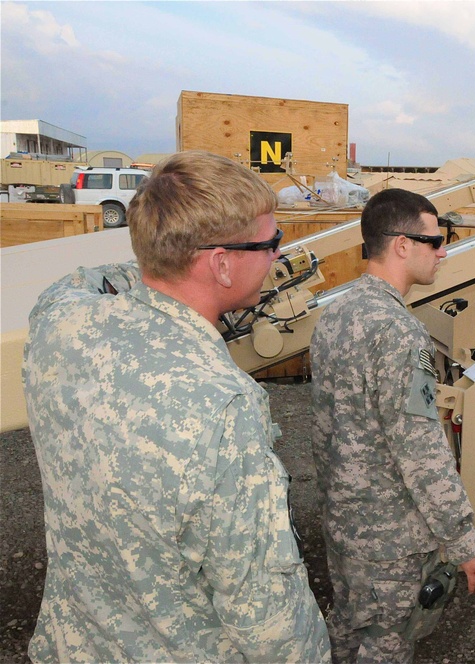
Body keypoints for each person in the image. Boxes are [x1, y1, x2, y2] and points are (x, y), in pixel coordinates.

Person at [22, 151, 331, 662]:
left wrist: (160, 256)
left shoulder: (60, 321)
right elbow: (266, 613)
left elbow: (79, 280)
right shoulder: (223, 405)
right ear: (221, 264)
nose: (278, 255)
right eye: (271, 242)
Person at [311, 188, 475, 663]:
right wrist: (464, 541)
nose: (443, 251)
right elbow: (420, 449)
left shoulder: (335, 315)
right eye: (435, 241)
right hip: (389, 541)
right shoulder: (398, 331)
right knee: (386, 644)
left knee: (347, 629)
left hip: (345, 525)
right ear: (402, 245)